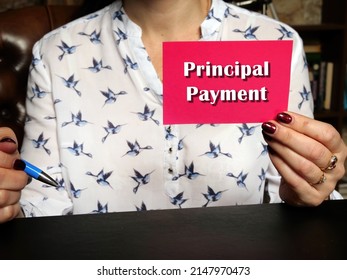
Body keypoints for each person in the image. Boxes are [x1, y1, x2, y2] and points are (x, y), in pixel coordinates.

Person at [0, 0, 346, 222]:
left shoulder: (275, 42)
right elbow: (40, 201)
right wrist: (8, 200)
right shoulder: (58, 52)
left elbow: (295, 195)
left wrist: (311, 188)